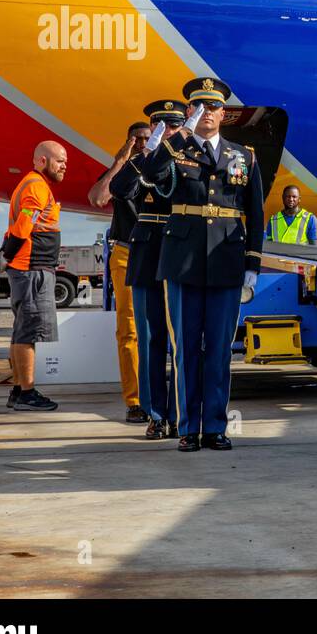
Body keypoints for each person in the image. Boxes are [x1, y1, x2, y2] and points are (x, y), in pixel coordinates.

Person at [146, 77, 264, 452]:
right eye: (199, 107)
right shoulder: (176, 150)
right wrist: (180, 134)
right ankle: (187, 428)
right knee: (184, 347)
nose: (207, 113)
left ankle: (215, 426)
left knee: (218, 348)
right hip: (183, 261)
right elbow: (151, 173)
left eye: (212, 108)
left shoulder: (243, 155)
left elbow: (256, 214)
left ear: (224, 113)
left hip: (227, 260)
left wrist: (252, 264)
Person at [110, 100, 185, 440]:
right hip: (145, 257)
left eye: (172, 125)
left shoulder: (193, 160)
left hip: (181, 255)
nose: (165, 131)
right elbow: (118, 189)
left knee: (181, 341)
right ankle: (156, 414)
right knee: (150, 339)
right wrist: (143, 157)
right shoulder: (141, 163)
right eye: (160, 126)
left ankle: (182, 415)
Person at [89, 121, 151, 424]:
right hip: (126, 251)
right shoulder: (122, 171)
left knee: (169, 326)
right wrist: (120, 161)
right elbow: (99, 197)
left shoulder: (162, 167)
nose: (141, 144)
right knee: (129, 330)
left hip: (158, 252)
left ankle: (166, 395)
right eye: (135, 139)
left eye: (145, 139)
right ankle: (135, 400)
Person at [1, 141, 67, 412]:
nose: (64, 165)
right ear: (41, 160)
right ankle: (26, 392)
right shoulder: (37, 187)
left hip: (28, 269)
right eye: (59, 160)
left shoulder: (32, 184)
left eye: (65, 161)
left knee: (22, 331)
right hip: (32, 269)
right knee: (28, 332)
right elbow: (25, 223)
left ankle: (19, 390)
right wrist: (9, 253)